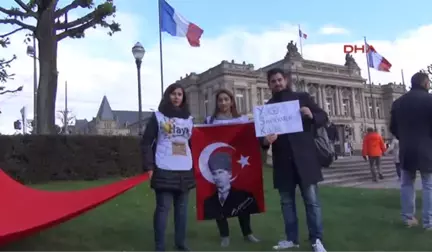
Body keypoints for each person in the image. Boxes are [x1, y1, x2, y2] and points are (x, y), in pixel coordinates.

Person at [260, 68, 328, 252]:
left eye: (279, 80)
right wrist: (266, 141)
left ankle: (316, 240)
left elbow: (323, 117)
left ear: (286, 80)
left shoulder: (302, 97)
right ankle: (291, 239)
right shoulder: (268, 107)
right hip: (283, 162)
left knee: (312, 202)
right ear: (269, 85)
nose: (277, 83)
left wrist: (311, 115)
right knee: (287, 203)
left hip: (305, 159)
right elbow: (262, 138)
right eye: (273, 81)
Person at [141, 83, 195, 252]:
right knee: (163, 209)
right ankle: (160, 246)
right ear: (167, 96)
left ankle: (180, 243)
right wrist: (149, 167)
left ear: (183, 98)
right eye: (173, 93)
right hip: (163, 167)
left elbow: (191, 144)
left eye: (180, 94)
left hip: (185, 169)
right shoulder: (157, 117)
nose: (177, 97)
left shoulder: (189, 119)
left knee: (182, 210)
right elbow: (146, 143)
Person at [203, 89, 260, 247]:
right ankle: (224, 235)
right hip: (217, 162)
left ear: (231, 101)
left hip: (237, 163)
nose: (223, 103)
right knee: (218, 200)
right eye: (220, 100)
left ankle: (248, 233)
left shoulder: (241, 119)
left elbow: (249, 138)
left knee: (241, 199)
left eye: (226, 99)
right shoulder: (210, 121)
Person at [390, 72, 432, 229]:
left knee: (407, 183)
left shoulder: (399, 102)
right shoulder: (430, 100)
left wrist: (405, 138)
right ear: (424, 83)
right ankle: (429, 222)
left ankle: (408, 218)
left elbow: (393, 127)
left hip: (406, 148)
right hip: (427, 148)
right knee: (428, 184)